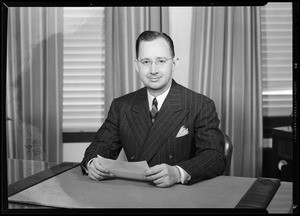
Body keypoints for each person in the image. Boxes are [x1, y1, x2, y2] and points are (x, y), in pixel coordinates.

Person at [80, 30, 226, 187]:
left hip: (180, 195)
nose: (153, 70)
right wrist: (92, 163)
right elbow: (100, 146)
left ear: (174, 63)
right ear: (137, 65)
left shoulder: (200, 105)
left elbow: (214, 156)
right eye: (145, 62)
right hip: (134, 193)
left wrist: (178, 172)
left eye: (161, 61)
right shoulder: (121, 106)